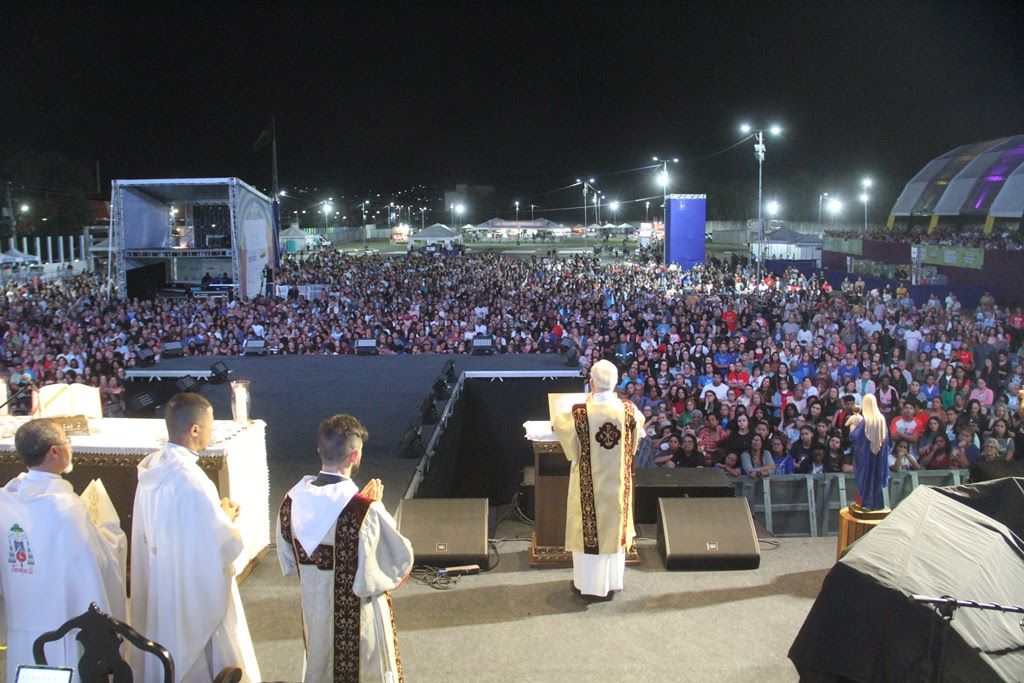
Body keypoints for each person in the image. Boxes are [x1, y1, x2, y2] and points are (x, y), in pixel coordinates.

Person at [131, 393, 260, 682]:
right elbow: (222, 546)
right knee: (201, 656)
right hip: (188, 589)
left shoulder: (152, 466)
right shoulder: (191, 479)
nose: (212, 432)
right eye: (211, 426)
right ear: (194, 430)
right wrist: (225, 517)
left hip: (162, 577)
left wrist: (215, 513)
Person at [277, 414, 413, 681]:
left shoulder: (291, 502)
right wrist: (374, 508)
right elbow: (398, 559)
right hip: (358, 618)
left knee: (319, 665)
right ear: (354, 456)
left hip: (313, 611)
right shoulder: (363, 511)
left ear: (320, 449)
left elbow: (289, 558)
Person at [0, 419, 127, 682]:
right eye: (66, 442)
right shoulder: (66, 508)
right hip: (62, 625)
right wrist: (109, 528)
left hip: (23, 617)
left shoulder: (5, 500)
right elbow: (95, 565)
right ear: (54, 452)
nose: (70, 448)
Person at [553, 359, 645, 598]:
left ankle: (586, 585)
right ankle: (612, 582)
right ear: (615, 383)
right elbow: (636, 436)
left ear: (591, 383)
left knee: (588, 532)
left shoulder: (579, 412)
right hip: (616, 487)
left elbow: (561, 427)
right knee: (613, 531)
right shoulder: (628, 410)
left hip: (588, 488)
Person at [845, 394, 890, 511]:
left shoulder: (866, 421)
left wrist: (853, 427)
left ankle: (867, 503)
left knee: (867, 479)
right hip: (879, 455)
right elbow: (886, 438)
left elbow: (854, 437)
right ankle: (877, 504)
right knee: (876, 479)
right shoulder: (882, 419)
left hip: (866, 457)